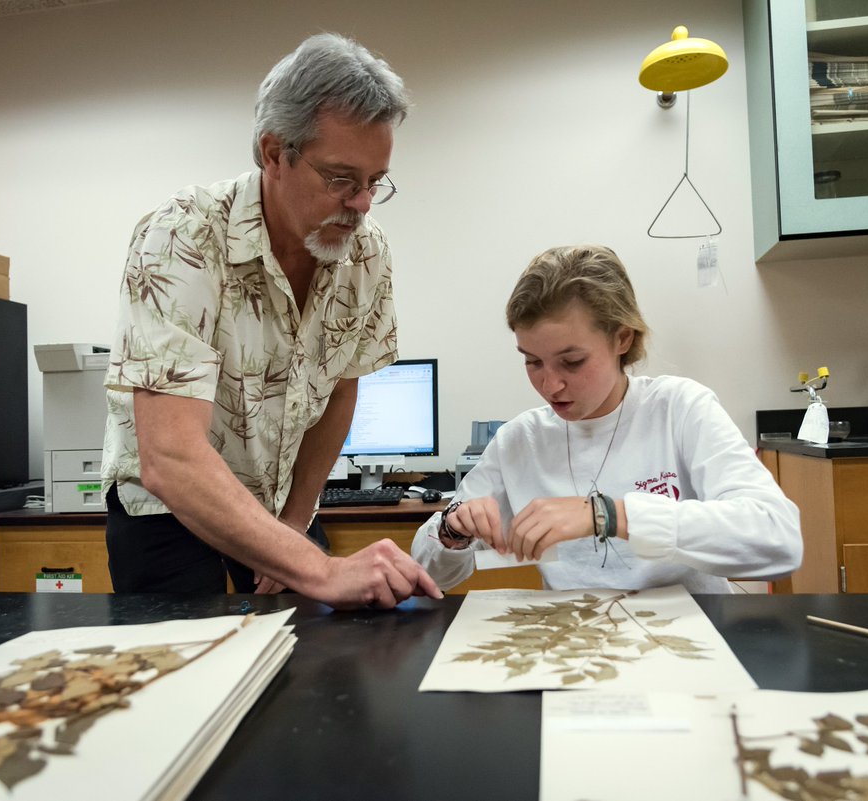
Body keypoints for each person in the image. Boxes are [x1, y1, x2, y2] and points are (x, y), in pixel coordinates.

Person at [101, 33, 440, 608]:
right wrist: (320, 569)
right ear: (274, 153)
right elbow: (170, 457)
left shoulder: (367, 252)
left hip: (278, 500)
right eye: (340, 179)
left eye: (374, 182)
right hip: (170, 506)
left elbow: (341, 389)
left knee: (319, 655)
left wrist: (296, 520)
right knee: (194, 674)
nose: (359, 204)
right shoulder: (183, 234)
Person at [412, 245, 802, 593]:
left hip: (689, 644)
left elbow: (778, 539)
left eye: (572, 361)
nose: (550, 384)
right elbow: (431, 573)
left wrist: (610, 515)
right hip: (578, 648)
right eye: (531, 361)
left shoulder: (679, 408)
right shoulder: (520, 441)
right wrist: (451, 531)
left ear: (622, 338)